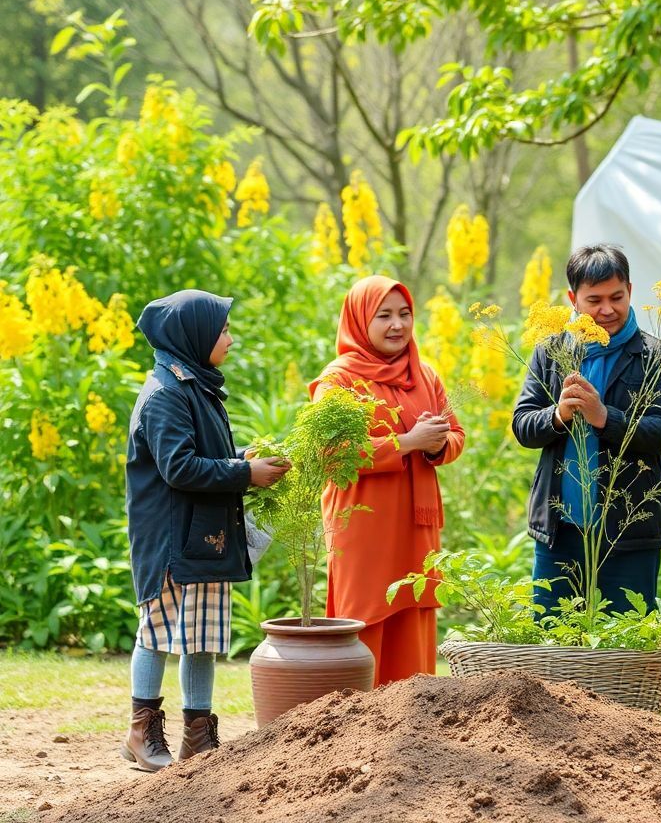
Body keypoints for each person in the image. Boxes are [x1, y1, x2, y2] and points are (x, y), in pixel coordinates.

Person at [124, 290, 291, 771]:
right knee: (156, 632)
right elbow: (179, 468)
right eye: (222, 331)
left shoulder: (196, 385)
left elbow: (205, 455)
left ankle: (198, 738)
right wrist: (245, 474)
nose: (230, 339)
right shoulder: (164, 394)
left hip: (204, 534)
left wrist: (246, 460)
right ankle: (141, 733)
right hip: (172, 540)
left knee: (202, 635)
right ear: (193, 335)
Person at [512, 244, 661, 614]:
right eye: (595, 300)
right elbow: (523, 425)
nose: (607, 310)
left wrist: (604, 417)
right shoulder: (550, 352)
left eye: (616, 297)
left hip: (629, 529)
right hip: (559, 529)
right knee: (551, 642)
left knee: (626, 644)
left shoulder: (658, 358)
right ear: (573, 299)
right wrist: (559, 415)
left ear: (630, 292)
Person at [310, 275, 465, 687]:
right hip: (363, 524)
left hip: (416, 524)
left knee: (412, 614)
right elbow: (332, 452)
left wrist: (435, 445)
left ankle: (414, 726)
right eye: (384, 316)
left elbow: (456, 435)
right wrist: (407, 442)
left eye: (405, 314)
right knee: (364, 615)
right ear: (360, 320)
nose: (398, 325)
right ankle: (358, 729)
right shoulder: (337, 381)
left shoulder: (424, 375)